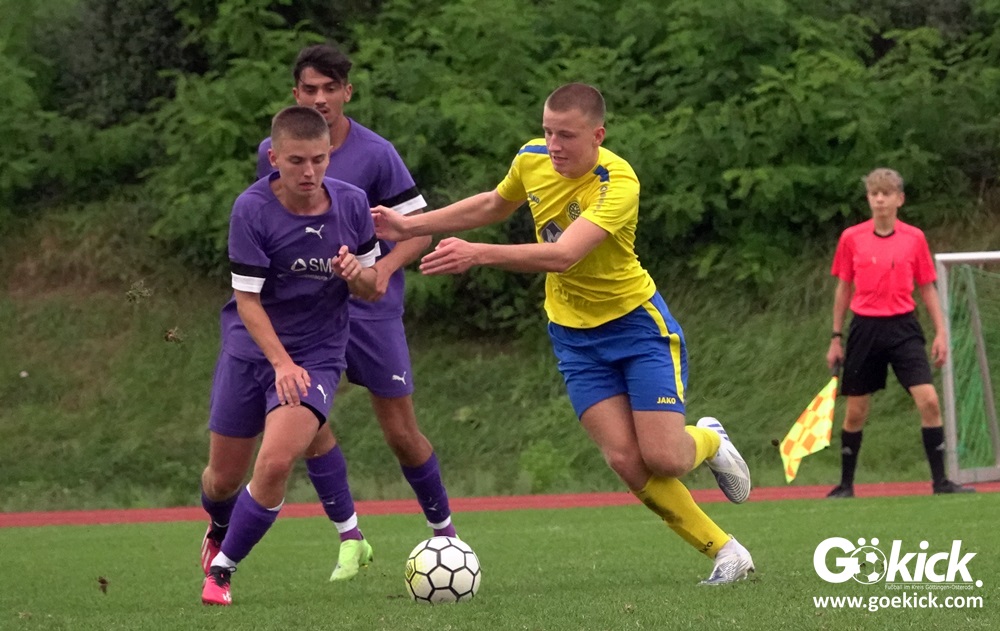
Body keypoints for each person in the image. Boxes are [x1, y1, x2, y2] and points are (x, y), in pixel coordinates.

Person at [374, 83, 755, 585]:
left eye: (567, 135)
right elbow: (493, 204)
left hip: (637, 327)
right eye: (548, 131)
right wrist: (408, 226)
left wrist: (478, 253)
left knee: (664, 457)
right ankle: (726, 552)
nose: (553, 145)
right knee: (625, 460)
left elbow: (564, 254)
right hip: (574, 337)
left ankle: (709, 439)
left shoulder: (617, 182)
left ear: (598, 135)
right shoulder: (532, 158)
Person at [255, 44, 458, 575]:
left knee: (401, 434)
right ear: (295, 93)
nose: (320, 99)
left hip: (371, 311)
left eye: (330, 88)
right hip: (307, 317)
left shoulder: (376, 154)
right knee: (307, 421)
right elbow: (264, 224)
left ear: (348, 91)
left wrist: (382, 271)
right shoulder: (273, 152)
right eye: (310, 89)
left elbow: (422, 229)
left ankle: (447, 536)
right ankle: (350, 536)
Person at [200, 105, 380, 606]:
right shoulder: (252, 209)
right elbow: (247, 301)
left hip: (317, 354)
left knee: (276, 462)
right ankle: (218, 526)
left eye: (319, 160)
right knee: (221, 480)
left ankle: (221, 572)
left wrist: (356, 274)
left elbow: (372, 287)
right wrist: (279, 362)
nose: (309, 172)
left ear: (330, 156)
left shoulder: (352, 204)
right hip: (251, 351)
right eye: (297, 161)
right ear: (275, 158)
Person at [825, 168, 975, 498]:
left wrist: (941, 332)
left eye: (886, 193)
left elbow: (927, 287)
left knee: (929, 401)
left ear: (899, 199)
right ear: (869, 199)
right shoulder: (852, 237)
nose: (880, 199)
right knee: (856, 411)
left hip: (903, 326)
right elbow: (843, 287)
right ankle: (846, 485)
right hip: (865, 327)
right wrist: (836, 338)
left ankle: (941, 482)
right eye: (874, 193)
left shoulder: (914, 238)